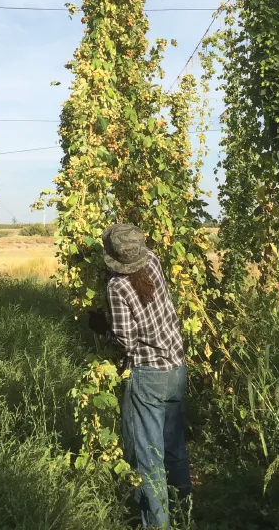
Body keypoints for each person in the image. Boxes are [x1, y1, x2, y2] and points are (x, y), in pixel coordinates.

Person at [89, 222, 192, 529]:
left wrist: (103, 329)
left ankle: (157, 524)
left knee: (148, 457)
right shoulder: (154, 261)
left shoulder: (116, 286)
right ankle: (184, 513)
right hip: (177, 368)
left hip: (149, 376)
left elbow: (127, 342)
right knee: (174, 447)